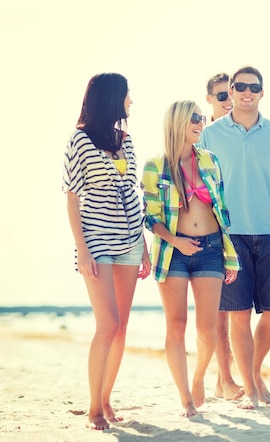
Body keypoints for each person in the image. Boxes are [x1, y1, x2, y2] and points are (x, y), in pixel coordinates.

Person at [197, 66, 270, 409]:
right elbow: (197, 187)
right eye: (241, 86)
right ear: (231, 91)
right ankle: (250, 389)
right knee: (239, 314)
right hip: (229, 238)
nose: (247, 92)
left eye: (254, 87)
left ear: (262, 93)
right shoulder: (210, 135)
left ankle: (254, 373)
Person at [63, 72, 151, 430]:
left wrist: (143, 246)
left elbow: (133, 194)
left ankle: (106, 400)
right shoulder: (79, 140)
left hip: (130, 240)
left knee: (122, 326)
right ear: (112, 98)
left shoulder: (125, 141)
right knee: (108, 323)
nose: (131, 101)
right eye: (127, 95)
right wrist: (81, 249)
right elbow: (72, 198)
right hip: (97, 241)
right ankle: (93, 409)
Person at [141, 100, 240, 417]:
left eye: (201, 117)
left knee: (207, 328)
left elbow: (223, 212)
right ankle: (185, 397)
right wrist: (175, 241)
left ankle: (198, 379)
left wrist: (228, 255)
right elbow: (150, 217)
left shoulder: (211, 161)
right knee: (177, 326)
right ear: (178, 122)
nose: (201, 122)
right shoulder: (155, 166)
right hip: (173, 252)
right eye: (195, 118)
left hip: (211, 248)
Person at [204, 72, 243, 401]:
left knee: (236, 310)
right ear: (209, 100)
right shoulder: (202, 136)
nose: (228, 100)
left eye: (229, 94)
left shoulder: (240, 132)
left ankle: (224, 379)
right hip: (213, 232)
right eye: (221, 96)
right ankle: (225, 378)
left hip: (242, 230)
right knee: (218, 311)